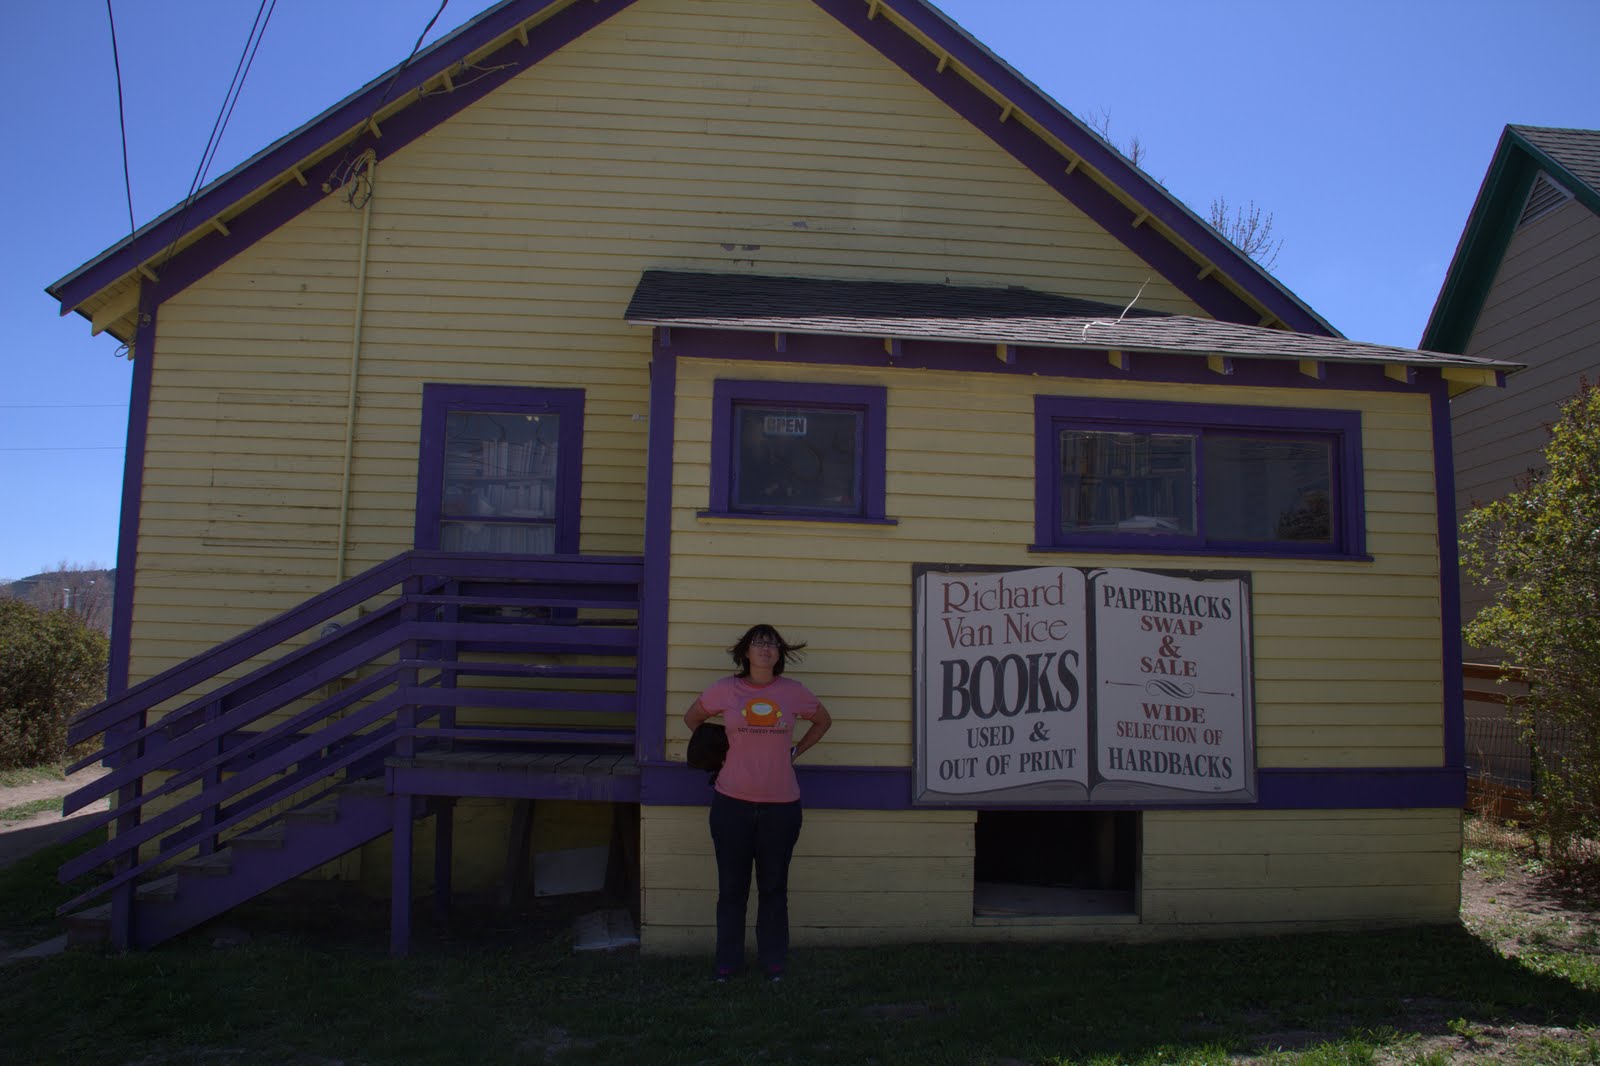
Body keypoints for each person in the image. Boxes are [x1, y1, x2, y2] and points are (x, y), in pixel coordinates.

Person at [683, 623, 832, 982]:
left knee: (774, 888)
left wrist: (795, 751)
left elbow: (823, 721)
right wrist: (720, 750)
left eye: (772, 644)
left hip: (781, 806)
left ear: (780, 654)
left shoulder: (793, 692)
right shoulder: (725, 689)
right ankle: (728, 964)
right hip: (731, 804)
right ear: (745, 652)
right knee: (732, 889)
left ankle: (774, 962)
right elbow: (693, 718)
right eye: (758, 642)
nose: (765, 648)